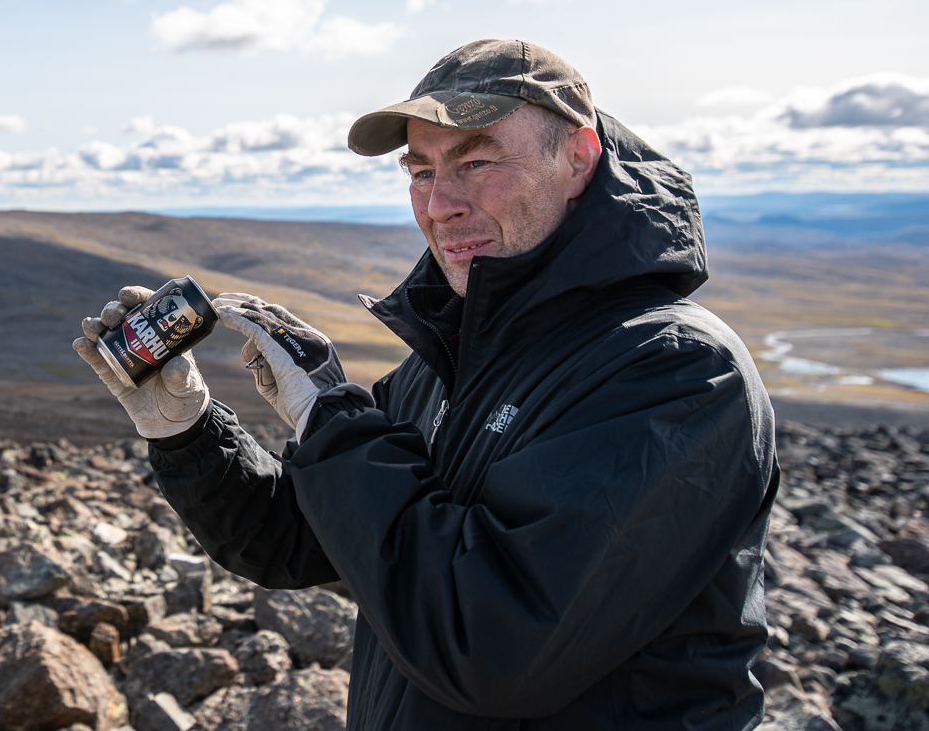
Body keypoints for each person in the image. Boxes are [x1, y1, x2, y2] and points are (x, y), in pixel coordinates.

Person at [73, 39, 779, 730]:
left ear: (578, 159)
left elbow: (489, 645)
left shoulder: (676, 371)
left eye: (476, 162)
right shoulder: (456, 357)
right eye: (420, 172)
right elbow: (312, 538)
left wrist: (329, 417)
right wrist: (188, 431)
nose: (441, 205)